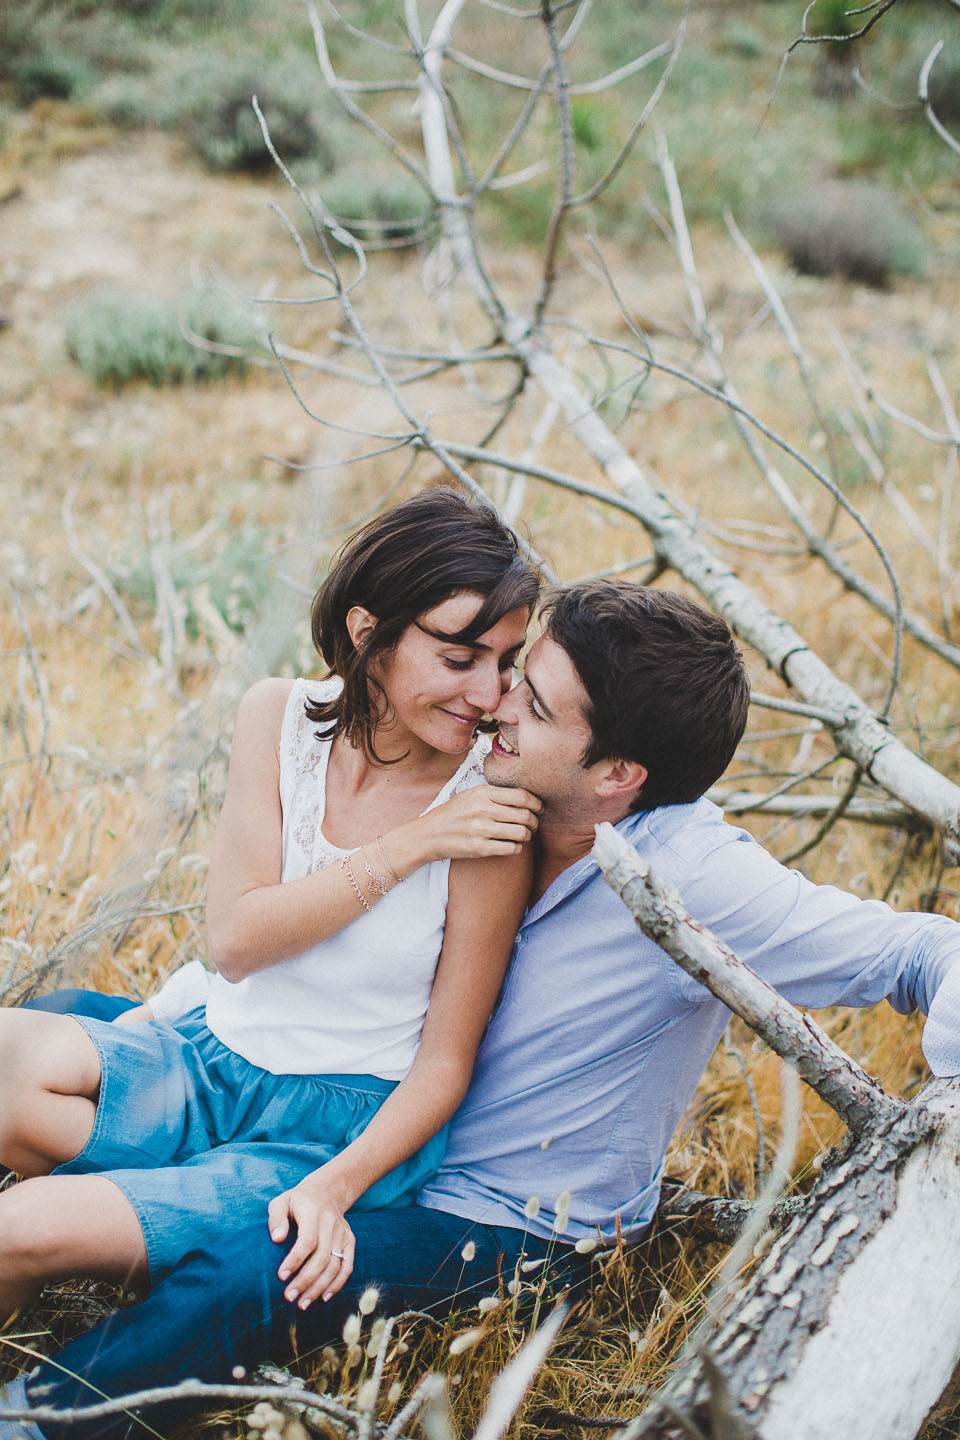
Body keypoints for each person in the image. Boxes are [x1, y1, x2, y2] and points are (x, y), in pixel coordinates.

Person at [4, 578, 960, 1440]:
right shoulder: (504, 793)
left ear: (616, 775)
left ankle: (37, 1419)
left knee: (258, 1272)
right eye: (516, 676)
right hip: (350, 1101)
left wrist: (949, 1106)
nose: (498, 704)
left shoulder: (700, 877)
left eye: (533, 704)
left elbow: (919, 953)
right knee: (70, 1015)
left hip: (497, 1218)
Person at [0, 487, 544, 1337]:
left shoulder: (489, 818)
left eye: (506, 662)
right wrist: (410, 845)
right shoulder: (280, 716)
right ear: (367, 633)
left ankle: (119, 1217)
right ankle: (153, 1207)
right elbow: (237, 941)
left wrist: (334, 1187)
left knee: (16, 1229)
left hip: (330, 1129)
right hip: (208, 1061)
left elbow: (444, 1066)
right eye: (459, 658)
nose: (489, 693)